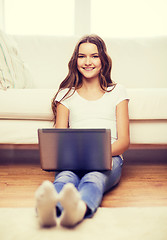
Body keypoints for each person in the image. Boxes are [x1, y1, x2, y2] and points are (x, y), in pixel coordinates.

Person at [35, 34, 130, 228]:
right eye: (82, 56)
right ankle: (51, 209)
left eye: (94, 56)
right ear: (75, 60)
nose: (88, 62)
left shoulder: (117, 91)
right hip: (73, 158)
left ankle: (80, 209)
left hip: (108, 157)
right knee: (65, 177)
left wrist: (96, 156)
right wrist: (72, 156)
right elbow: (58, 139)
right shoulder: (66, 94)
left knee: (93, 178)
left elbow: (124, 141)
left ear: (103, 60)